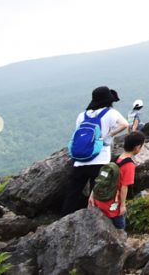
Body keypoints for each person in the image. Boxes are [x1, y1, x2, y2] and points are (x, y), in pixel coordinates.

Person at [61, 86, 129, 215]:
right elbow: (125, 124)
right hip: (100, 159)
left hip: (80, 160)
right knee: (96, 193)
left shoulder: (82, 115)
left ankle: (64, 219)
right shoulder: (110, 112)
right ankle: (94, 221)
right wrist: (109, 134)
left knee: (72, 193)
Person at [89, 131, 144, 230]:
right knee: (120, 227)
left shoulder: (117, 158)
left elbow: (101, 178)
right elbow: (124, 187)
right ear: (137, 147)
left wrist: (92, 194)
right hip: (112, 202)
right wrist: (122, 205)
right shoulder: (129, 165)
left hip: (101, 198)